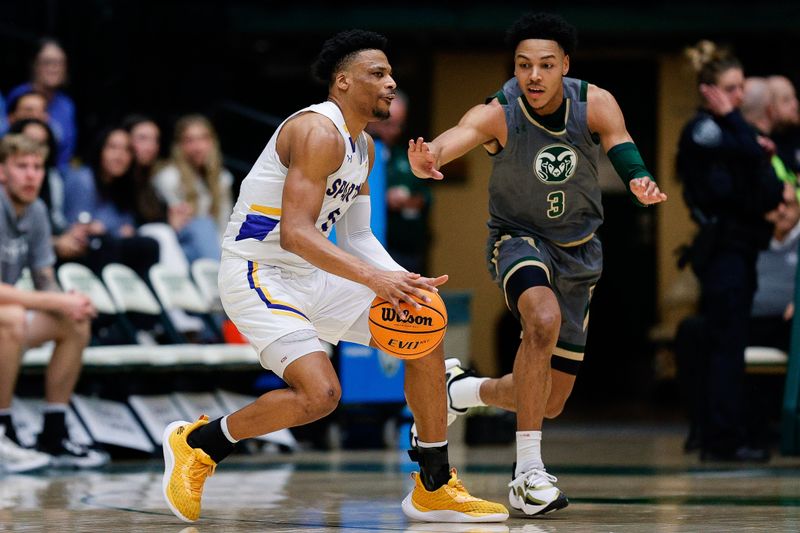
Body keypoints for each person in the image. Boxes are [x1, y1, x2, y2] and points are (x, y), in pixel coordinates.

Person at [161, 29, 509, 524]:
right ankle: (198, 444)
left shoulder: (363, 147)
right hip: (260, 272)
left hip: (313, 273)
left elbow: (359, 236)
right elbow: (296, 234)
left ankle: (434, 484)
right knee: (320, 396)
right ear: (342, 82)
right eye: (378, 74)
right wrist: (374, 279)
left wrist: (401, 282)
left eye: (391, 74)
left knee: (424, 329)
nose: (391, 83)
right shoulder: (316, 131)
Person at [407, 12, 667, 515]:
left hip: (581, 250)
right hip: (519, 240)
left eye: (546, 65)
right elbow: (456, 135)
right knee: (540, 319)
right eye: (524, 65)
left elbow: (620, 142)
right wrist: (430, 155)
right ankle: (527, 474)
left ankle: (462, 390)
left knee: (548, 401)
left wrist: (637, 179)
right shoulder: (500, 111)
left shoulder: (594, 101)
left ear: (564, 65)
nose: (534, 76)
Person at [674, 41, 783, 462]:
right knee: (725, 345)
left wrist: (752, 153)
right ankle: (721, 438)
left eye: (740, 89)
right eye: (731, 88)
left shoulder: (732, 130)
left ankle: (728, 433)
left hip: (742, 249)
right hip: (723, 252)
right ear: (710, 92)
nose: (739, 97)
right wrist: (752, 148)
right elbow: (742, 178)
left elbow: (770, 190)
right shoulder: (705, 129)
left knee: (730, 344)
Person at [0, 134, 107, 469]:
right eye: (21, 167)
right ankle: (2, 433)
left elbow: (45, 277)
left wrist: (70, 301)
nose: (32, 174)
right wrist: (53, 300)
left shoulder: (37, 211)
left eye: (37, 167)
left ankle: (54, 433)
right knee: (13, 317)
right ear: (2, 172)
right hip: (7, 319)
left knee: (73, 319)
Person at [367, 91, 432, 273]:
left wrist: (406, 202)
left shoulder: (404, 159)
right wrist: (380, 198)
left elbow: (425, 198)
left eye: (398, 126)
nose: (393, 132)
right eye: (387, 124)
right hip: (364, 251)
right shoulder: (352, 156)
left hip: (404, 252)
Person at [152, 114, 232, 262]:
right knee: (202, 225)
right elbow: (180, 223)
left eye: (203, 139)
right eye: (190, 140)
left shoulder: (222, 179)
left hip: (214, 247)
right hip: (181, 244)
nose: (198, 147)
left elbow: (224, 225)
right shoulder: (169, 177)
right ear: (179, 146)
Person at [7, 39, 77, 167]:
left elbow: (67, 150)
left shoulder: (66, 105)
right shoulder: (19, 95)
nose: (54, 67)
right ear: (35, 64)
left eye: (60, 63)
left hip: (53, 170)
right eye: (47, 62)